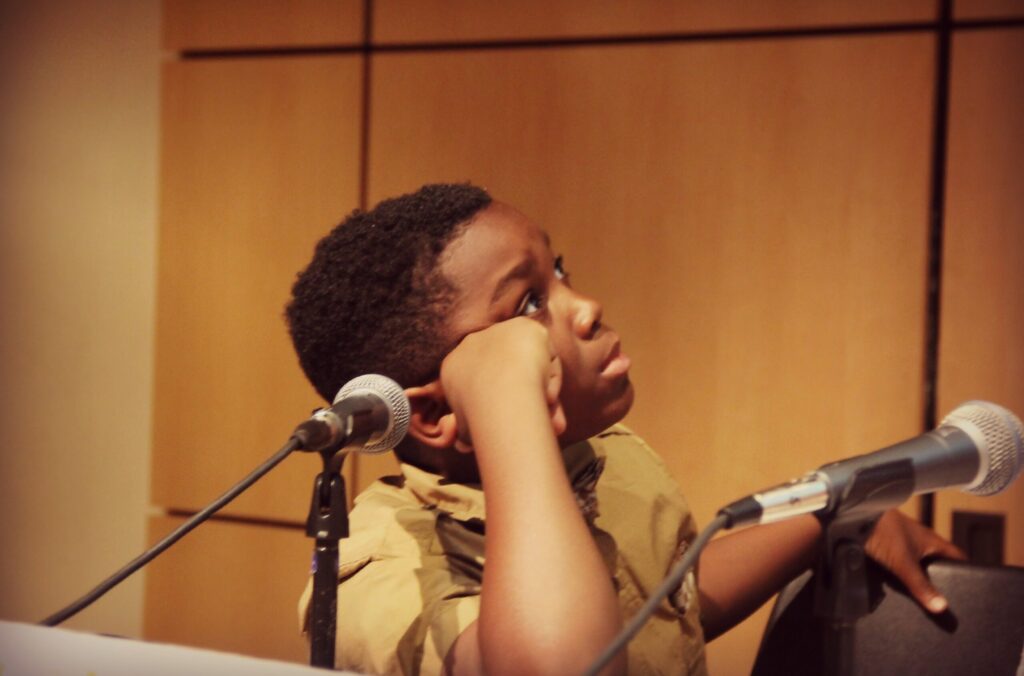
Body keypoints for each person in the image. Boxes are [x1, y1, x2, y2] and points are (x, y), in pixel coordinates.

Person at [286, 183, 963, 675]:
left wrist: (828, 518)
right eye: (529, 304)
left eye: (560, 272)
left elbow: (669, 604)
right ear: (436, 415)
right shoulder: (371, 575)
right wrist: (506, 406)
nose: (586, 307)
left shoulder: (605, 458)